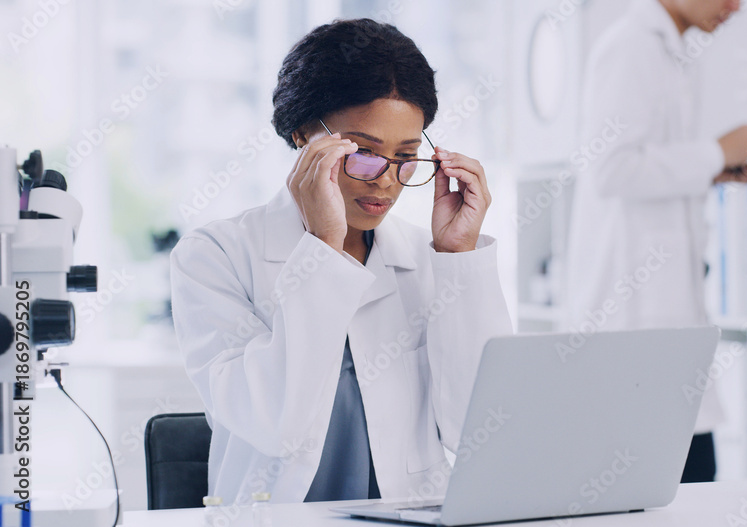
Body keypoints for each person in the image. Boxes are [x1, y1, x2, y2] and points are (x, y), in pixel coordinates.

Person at [170, 18, 512, 505]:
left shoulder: (429, 257)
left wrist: (459, 258)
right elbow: (277, 424)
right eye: (364, 153)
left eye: (406, 157)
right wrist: (323, 248)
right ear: (302, 133)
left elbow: (479, 431)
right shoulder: (214, 255)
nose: (385, 181)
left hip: (407, 515)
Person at [565, 0, 747, 483]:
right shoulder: (631, 47)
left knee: (692, 480)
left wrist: (715, 170)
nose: (736, 6)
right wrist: (715, 152)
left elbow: (648, 168)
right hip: (630, 328)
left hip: (668, 331)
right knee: (664, 483)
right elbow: (611, 170)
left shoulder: (671, 51)